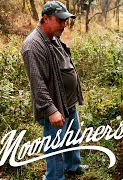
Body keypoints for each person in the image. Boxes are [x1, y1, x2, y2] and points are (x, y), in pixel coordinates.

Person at [21, 1, 88, 179]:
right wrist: (51, 110)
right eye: (60, 20)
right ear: (45, 18)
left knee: (73, 136)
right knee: (55, 145)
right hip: (56, 106)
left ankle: (73, 166)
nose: (64, 25)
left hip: (68, 102)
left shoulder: (53, 37)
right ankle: (55, 177)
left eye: (65, 20)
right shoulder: (33, 45)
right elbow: (37, 84)